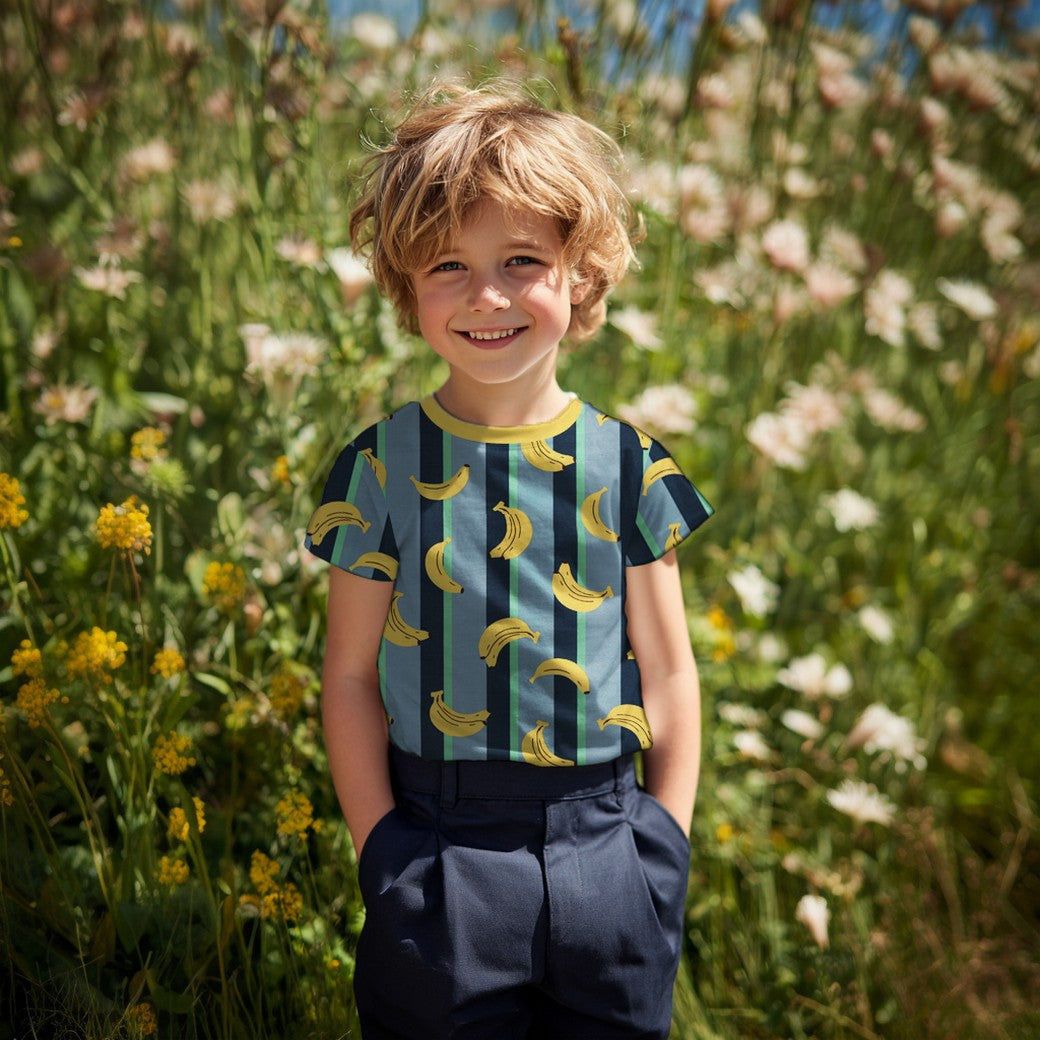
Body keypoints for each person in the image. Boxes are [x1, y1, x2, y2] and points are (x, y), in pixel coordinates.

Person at [305, 80, 714, 1040]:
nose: (487, 295)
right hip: (438, 847)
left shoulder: (627, 464)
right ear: (407, 287)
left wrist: (664, 844)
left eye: (521, 259)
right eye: (448, 263)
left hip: (607, 838)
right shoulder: (377, 466)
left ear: (581, 274)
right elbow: (350, 675)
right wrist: (383, 853)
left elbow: (669, 671)